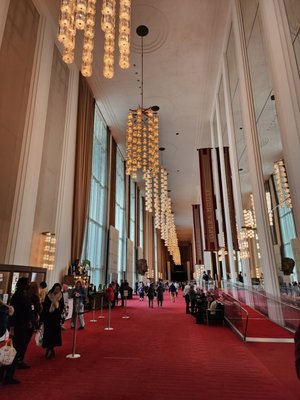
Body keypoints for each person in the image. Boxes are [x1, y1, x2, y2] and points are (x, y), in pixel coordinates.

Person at [9, 277, 33, 369]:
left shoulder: (23, 294)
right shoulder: (18, 295)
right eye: (28, 283)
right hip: (19, 324)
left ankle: (18, 361)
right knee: (18, 345)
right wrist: (12, 327)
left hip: (24, 324)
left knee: (21, 345)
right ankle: (11, 367)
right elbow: (15, 312)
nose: (29, 285)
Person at [41, 283, 64, 359]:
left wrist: (57, 307)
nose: (57, 290)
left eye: (58, 289)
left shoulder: (61, 296)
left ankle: (51, 348)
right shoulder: (49, 295)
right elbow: (45, 305)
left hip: (56, 317)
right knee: (48, 332)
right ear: (53, 288)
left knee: (54, 333)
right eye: (56, 288)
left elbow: (62, 305)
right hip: (48, 317)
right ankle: (49, 348)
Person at [0, 300, 18, 385]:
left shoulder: (4, 311)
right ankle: (6, 378)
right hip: (4, 338)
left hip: (4, 338)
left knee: (6, 356)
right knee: (6, 357)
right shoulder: (4, 310)